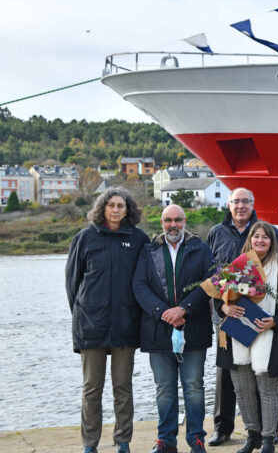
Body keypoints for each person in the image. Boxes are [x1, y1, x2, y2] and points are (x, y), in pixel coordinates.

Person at [66, 188, 150, 453]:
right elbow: (73, 284)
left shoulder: (138, 239)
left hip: (126, 326)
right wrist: (83, 314)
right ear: (102, 207)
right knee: (92, 388)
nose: (116, 210)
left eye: (121, 206)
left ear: (128, 210)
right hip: (92, 327)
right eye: (111, 205)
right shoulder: (85, 238)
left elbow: (146, 280)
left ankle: (122, 441)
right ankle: (90, 443)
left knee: (122, 387)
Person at [206, 188, 278, 447]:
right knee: (231, 376)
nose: (241, 206)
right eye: (236, 201)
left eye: (246, 201)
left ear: (253, 204)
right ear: (229, 205)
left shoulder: (270, 235)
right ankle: (225, 427)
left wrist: (277, 316)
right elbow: (214, 279)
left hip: (264, 319)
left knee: (264, 378)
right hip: (231, 319)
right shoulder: (216, 233)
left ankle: (269, 432)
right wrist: (222, 308)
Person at [132, 204, 215, 453]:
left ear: (185, 221)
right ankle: (166, 440)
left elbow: (209, 282)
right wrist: (164, 313)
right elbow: (139, 286)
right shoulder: (148, 251)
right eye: (168, 220)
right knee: (165, 388)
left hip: (194, 329)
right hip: (158, 331)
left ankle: (196, 439)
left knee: (193, 386)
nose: (173, 225)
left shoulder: (201, 249)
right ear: (162, 222)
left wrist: (184, 309)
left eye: (178, 220)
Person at [216, 221, 278, 453]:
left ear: (272, 242)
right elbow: (218, 296)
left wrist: (276, 320)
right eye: (256, 236)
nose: (260, 240)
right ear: (250, 239)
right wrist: (224, 308)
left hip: (269, 337)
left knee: (267, 389)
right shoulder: (237, 267)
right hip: (237, 335)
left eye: (265, 237)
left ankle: (268, 438)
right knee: (242, 389)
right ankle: (251, 435)